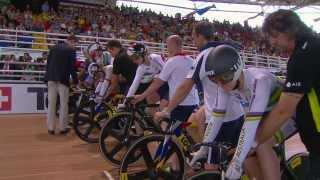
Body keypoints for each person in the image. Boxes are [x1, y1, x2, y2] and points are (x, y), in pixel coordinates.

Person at [154, 22, 244, 167]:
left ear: (200, 36)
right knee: (234, 159)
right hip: (237, 112)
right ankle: (202, 151)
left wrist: (167, 110)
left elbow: (185, 87)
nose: (193, 41)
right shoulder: (227, 49)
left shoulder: (205, 55)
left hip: (221, 118)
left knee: (212, 166)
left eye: (193, 37)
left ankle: (204, 156)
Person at [203, 45, 299, 179]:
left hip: (288, 115)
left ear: (236, 70)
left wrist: (237, 161)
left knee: (261, 144)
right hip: (265, 117)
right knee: (247, 156)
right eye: (214, 80)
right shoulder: (226, 84)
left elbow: (251, 124)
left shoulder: (259, 80)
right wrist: (204, 147)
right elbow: (216, 117)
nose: (220, 84)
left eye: (224, 77)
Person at [256, 9, 320, 179]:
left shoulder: (303, 56)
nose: (272, 42)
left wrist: (255, 141)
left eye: (274, 36)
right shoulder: (313, 45)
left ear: (289, 31)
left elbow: (284, 110)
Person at [134, 34, 199, 124]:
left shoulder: (172, 61)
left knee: (165, 127)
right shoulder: (192, 60)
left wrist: (141, 96)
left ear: (172, 45)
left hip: (180, 104)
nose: (167, 48)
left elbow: (158, 83)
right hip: (193, 102)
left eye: (167, 45)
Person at [44, 34, 78, 135]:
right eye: (75, 44)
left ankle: (50, 128)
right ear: (72, 41)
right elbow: (72, 67)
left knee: (51, 104)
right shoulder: (71, 50)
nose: (75, 46)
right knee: (63, 104)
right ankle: (63, 128)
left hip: (51, 78)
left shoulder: (54, 47)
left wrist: (47, 78)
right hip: (63, 80)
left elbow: (48, 63)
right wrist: (75, 80)